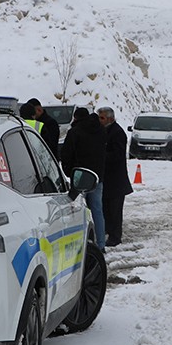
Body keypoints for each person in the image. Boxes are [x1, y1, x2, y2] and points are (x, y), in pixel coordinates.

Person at [60, 107, 108, 250]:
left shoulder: (74, 132)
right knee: (97, 210)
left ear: (76, 118)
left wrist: (69, 172)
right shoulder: (101, 131)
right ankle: (101, 244)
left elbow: (66, 154)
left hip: (79, 176)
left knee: (78, 210)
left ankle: (78, 245)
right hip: (97, 176)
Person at [97, 106, 133, 247]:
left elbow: (117, 155)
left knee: (115, 211)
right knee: (106, 209)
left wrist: (101, 156)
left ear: (110, 119)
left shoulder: (117, 133)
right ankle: (108, 232)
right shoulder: (104, 131)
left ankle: (115, 236)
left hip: (116, 181)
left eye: (102, 118)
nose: (100, 121)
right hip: (107, 179)